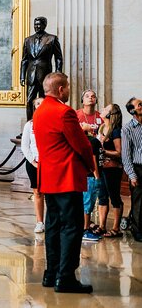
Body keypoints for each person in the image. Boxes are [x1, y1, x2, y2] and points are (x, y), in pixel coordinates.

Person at [34, 72, 95, 293]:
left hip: (49, 179)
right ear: (60, 89)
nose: (69, 90)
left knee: (53, 227)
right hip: (66, 178)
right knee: (72, 228)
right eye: (67, 86)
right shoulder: (64, 112)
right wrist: (91, 166)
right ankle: (66, 277)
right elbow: (82, 145)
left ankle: (51, 274)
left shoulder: (39, 111)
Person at [20, 16, 64, 120]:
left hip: (45, 75)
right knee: (29, 100)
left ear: (44, 25)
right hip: (31, 75)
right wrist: (22, 76)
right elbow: (24, 60)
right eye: (35, 25)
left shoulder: (52, 39)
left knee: (45, 101)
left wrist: (57, 75)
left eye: (39, 24)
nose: (37, 27)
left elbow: (58, 58)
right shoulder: (28, 40)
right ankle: (29, 125)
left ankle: (44, 123)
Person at [96, 104, 124, 238]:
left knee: (114, 197)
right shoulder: (102, 127)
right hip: (102, 167)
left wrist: (103, 151)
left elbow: (119, 152)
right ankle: (101, 225)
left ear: (110, 114)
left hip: (113, 168)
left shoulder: (116, 130)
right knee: (102, 197)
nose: (102, 109)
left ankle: (116, 228)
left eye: (105, 109)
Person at [20, 97, 45, 233]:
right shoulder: (29, 125)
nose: (41, 105)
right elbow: (25, 146)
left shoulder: (51, 122)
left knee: (53, 194)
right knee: (38, 192)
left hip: (49, 163)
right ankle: (40, 221)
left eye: (43, 103)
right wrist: (33, 162)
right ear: (34, 107)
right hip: (34, 162)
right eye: (38, 104)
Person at [122, 97, 142, 242]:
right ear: (132, 110)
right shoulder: (127, 128)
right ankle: (137, 229)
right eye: (139, 105)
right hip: (138, 167)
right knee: (138, 201)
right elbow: (126, 154)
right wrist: (131, 174)